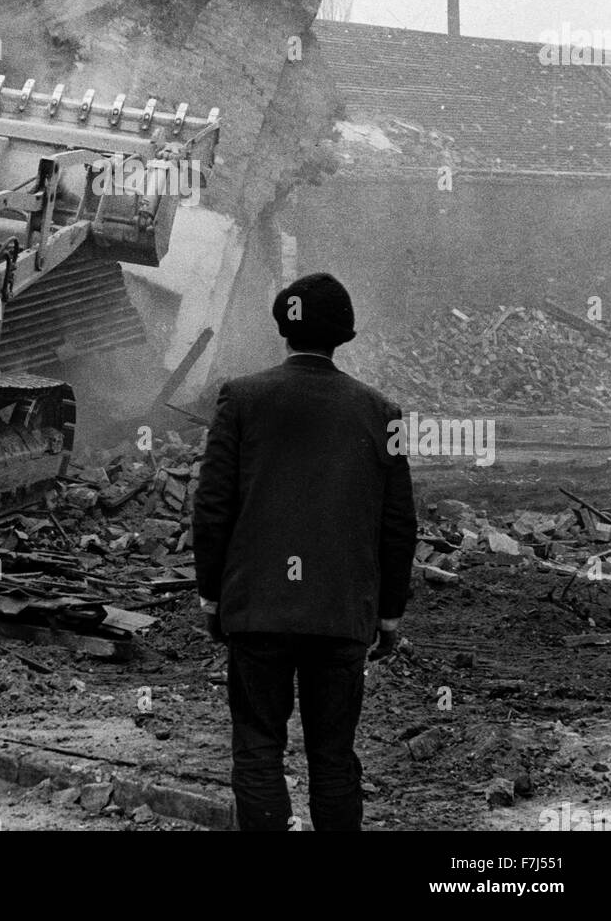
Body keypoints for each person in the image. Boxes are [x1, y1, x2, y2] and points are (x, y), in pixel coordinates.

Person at [192, 272, 417, 832]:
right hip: (341, 614)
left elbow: (213, 507)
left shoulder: (241, 398)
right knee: (333, 754)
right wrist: (388, 614)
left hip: (258, 607)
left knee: (258, 745)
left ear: (282, 330)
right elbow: (399, 525)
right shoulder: (383, 412)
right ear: (344, 336)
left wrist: (212, 598)